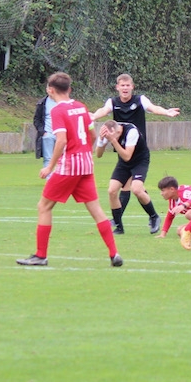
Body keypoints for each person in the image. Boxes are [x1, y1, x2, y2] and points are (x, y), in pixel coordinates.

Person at [17, 72, 123, 268]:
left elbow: (62, 141)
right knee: (96, 210)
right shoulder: (81, 107)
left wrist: (49, 166)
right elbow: (92, 136)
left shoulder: (58, 111)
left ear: (50, 90)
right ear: (69, 89)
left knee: (44, 207)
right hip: (86, 165)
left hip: (69, 167)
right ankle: (114, 253)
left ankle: (41, 255)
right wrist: (84, 153)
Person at [90, 73, 179, 234]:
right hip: (123, 151)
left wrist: (166, 112)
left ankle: (153, 217)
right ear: (117, 87)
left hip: (137, 153)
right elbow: (103, 110)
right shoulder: (112, 106)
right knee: (115, 190)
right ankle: (119, 224)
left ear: (132, 87)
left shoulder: (139, 100)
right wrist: (94, 117)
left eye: (127, 85)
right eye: (122, 85)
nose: (125, 88)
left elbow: (153, 108)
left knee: (135, 189)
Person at [94, 119, 161, 235]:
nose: (110, 138)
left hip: (139, 161)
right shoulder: (110, 133)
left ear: (118, 131)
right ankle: (119, 227)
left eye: (113, 136)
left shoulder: (131, 132)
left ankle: (154, 217)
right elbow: (98, 155)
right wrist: (101, 139)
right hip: (124, 163)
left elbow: (127, 156)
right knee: (112, 191)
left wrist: (113, 140)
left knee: (137, 189)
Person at [33, 89, 57, 172]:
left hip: (61, 135)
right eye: (48, 88)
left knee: (63, 158)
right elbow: (37, 119)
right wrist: (43, 132)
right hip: (48, 135)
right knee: (48, 158)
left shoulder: (63, 102)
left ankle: (61, 177)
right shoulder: (42, 103)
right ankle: (49, 177)